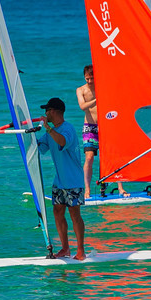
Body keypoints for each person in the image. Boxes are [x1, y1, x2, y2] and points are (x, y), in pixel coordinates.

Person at [35, 97, 86, 260]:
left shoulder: (67, 129)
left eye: (47, 110)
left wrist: (48, 128)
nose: (45, 114)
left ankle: (80, 251)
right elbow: (38, 148)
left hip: (73, 180)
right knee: (57, 212)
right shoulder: (50, 132)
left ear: (54, 111)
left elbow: (62, 141)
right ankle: (65, 249)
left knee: (74, 214)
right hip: (59, 181)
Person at [76, 65, 124, 198]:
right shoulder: (81, 90)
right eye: (87, 78)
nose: (90, 81)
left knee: (113, 157)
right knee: (89, 157)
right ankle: (87, 190)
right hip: (90, 127)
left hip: (106, 126)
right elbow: (82, 106)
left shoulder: (103, 87)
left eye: (92, 78)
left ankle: (120, 187)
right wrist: (98, 99)